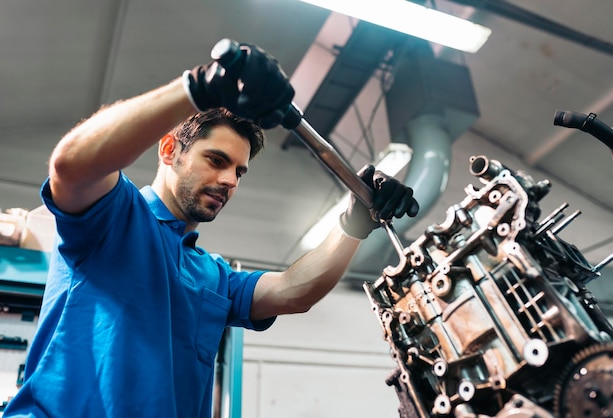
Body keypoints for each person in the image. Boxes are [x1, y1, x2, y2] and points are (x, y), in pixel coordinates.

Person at [4, 41, 419, 417]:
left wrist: (355, 222)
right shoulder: (114, 216)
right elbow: (71, 165)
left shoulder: (212, 273)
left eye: (239, 171)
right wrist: (199, 88)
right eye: (216, 160)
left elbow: (294, 291)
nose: (230, 181)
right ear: (170, 150)